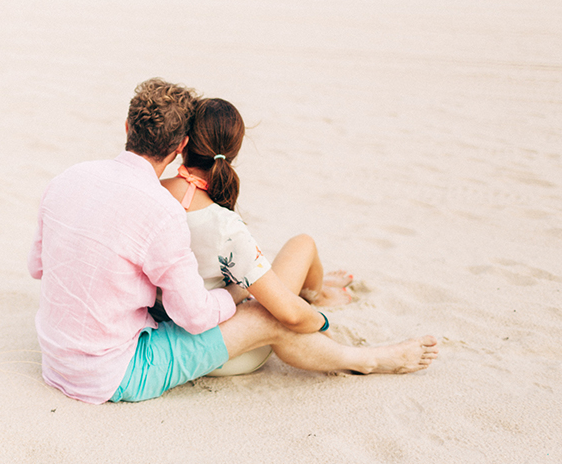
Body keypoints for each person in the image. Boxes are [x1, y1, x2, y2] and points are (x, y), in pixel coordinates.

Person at [29, 79, 438, 404]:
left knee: (270, 298)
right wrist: (238, 294)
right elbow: (194, 318)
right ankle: (368, 359)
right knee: (269, 316)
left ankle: (318, 302)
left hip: (56, 358)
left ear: (126, 127)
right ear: (180, 146)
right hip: (112, 374)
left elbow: (37, 267)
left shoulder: (68, 179)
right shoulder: (161, 212)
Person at [159, 97, 352, 375]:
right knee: (303, 244)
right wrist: (321, 322)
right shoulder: (225, 225)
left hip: (167, 340)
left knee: (251, 267)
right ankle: (317, 295)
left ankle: (315, 289)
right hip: (232, 350)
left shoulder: (151, 192)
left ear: (183, 143)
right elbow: (290, 315)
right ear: (234, 151)